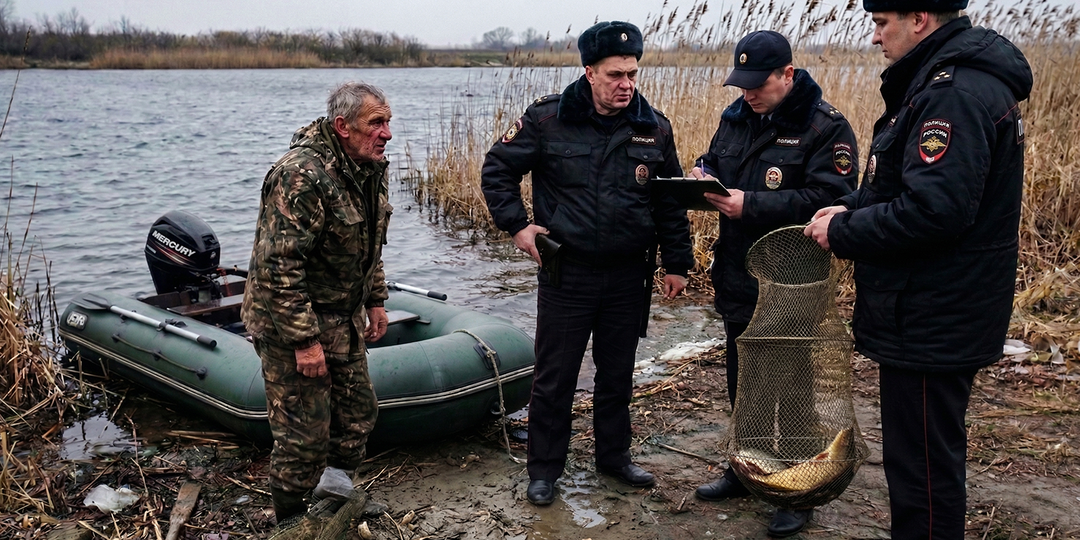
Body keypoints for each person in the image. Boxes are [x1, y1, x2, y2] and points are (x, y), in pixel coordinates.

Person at [803, 2, 1031, 538]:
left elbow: (935, 213)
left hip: (934, 313)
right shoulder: (943, 82)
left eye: (883, 23)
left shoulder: (952, 95)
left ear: (921, 18)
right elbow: (905, 187)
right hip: (931, 308)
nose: (876, 38)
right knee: (919, 461)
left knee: (924, 473)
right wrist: (851, 207)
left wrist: (842, 233)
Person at [481, 21, 693, 506]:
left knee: (617, 373)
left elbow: (669, 203)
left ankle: (613, 457)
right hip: (567, 271)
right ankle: (544, 470)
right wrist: (517, 226)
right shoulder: (547, 120)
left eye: (632, 74)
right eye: (615, 74)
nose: (626, 84)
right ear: (589, 72)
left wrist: (677, 263)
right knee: (555, 374)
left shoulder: (653, 127)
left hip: (627, 274)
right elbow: (497, 169)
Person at [689, 30, 858, 538]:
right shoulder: (735, 117)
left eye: (757, 84)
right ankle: (747, 468)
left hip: (794, 281)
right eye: (741, 84)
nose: (748, 94)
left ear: (788, 74)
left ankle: (801, 488)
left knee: (794, 385)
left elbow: (835, 198)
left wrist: (751, 204)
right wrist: (703, 174)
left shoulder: (826, 128)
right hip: (739, 272)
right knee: (745, 378)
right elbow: (718, 161)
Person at [241, 82, 394, 523]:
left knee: (357, 415)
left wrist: (376, 299)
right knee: (303, 437)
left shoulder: (368, 167)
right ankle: (291, 522)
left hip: (341, 315)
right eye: (376, 124)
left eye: (387, 122)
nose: (386, 133)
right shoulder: (301, 176)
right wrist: (304, 342)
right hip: (290, 322)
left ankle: (333, 497)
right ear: (343, 127)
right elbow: (277, 268)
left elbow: (369, 244)